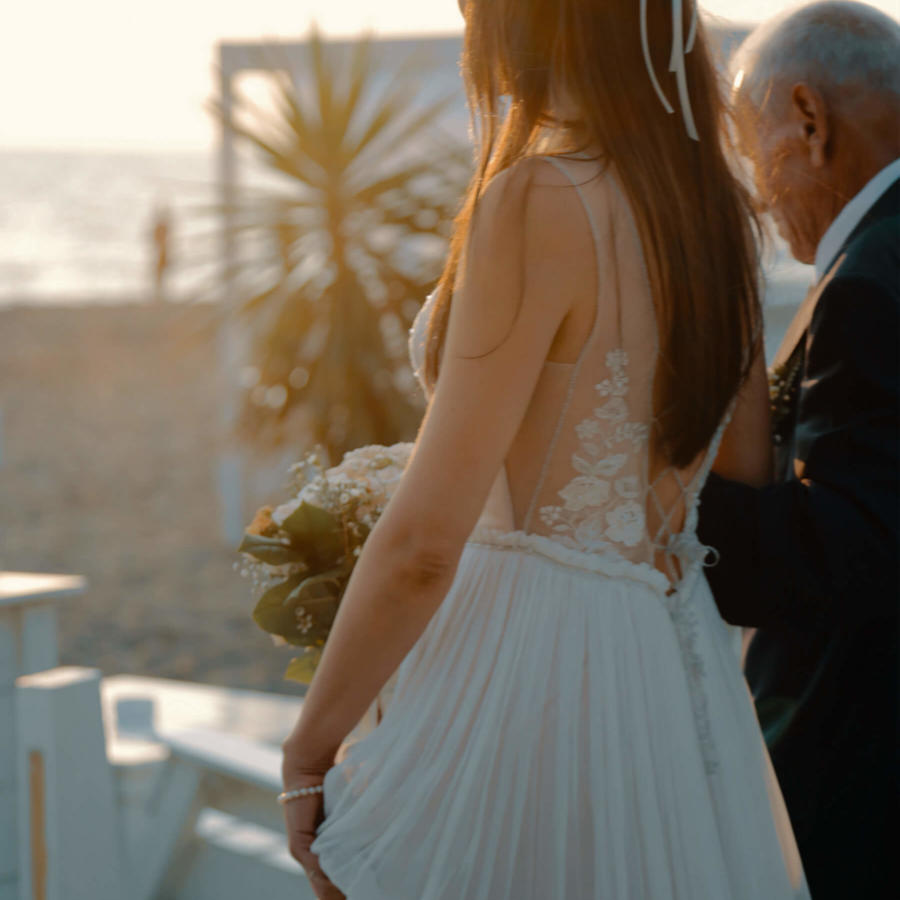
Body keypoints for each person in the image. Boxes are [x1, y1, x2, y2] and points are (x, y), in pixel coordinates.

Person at [280, 1, 809, 897]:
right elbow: (744, 478)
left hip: (524, 657)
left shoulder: (537, 199)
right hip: (671, 665)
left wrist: (308, 748)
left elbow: (421, 548)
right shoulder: (719, 217)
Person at [697, 4, 900, 898]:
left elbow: (847, 557)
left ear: (809, 121)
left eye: (751, 139)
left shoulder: (868, 287)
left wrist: (666, 497)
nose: (754, 182)